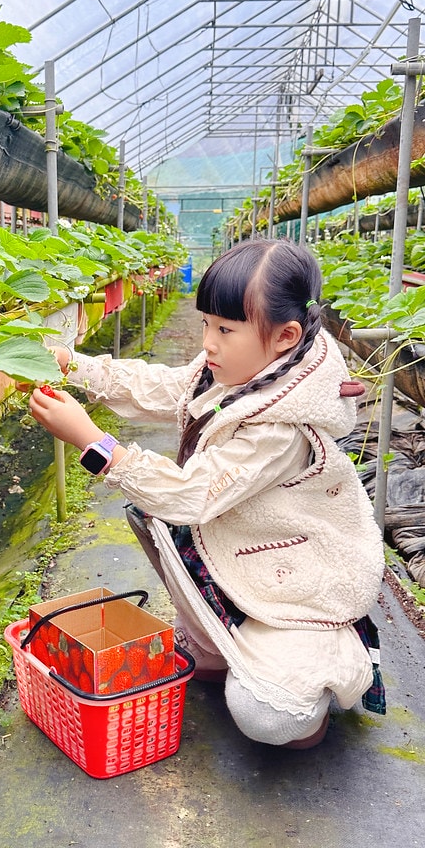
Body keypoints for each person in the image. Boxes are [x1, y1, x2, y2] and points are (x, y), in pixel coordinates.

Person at [29, 239, 385, 749]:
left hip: (296, 586)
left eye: (225, 329)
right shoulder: (237, 370)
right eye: (204, 324)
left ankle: (321, 673)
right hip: (241, 558)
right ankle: (224, 646)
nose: (209, 342)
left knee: (268, 715)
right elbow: (163, 387)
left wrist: (95, 443)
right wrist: (73, 365)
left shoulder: (280, 431)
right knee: (158, 528)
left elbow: (192, 495)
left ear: (285, 336)